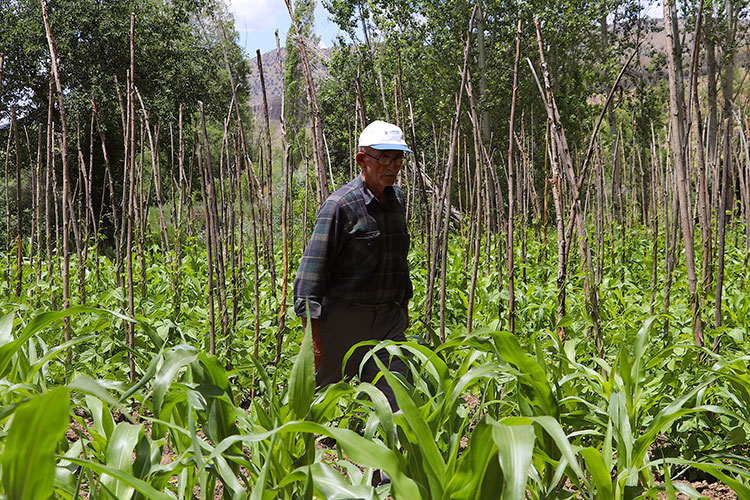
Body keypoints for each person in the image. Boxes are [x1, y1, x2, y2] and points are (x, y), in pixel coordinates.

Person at [293, 120, 413, 411]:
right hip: (343, 321)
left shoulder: (397, 199)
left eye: (397, 159)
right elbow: (309, 278)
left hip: (387, 319)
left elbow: (398, 260)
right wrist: (315, 340)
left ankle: (394, 453)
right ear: (362, 159)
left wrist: (403, 308)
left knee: (399, 398)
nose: (392, 166)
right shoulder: (340, 206)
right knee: (321, 404)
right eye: (384, 158)